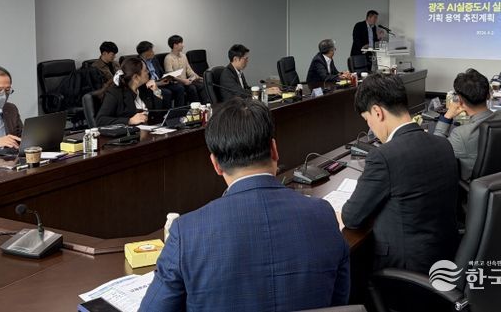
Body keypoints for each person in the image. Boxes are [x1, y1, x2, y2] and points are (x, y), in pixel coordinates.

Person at [139, 98, 350, 312]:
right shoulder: (323, 215)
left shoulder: (187, 232)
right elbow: (339, 302)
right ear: (274, 150)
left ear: (216, 164)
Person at [341, 73, 458, 274]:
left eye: (367, 120)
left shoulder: (384, 156)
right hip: (446, 257)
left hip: (405, 271)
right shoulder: (443, 144)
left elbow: (352, 217)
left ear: (377, 112)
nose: (369, 126)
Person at [434, 69, 501, 181]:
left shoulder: (461, 135)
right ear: (489, 95)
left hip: (476, 187)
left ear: (460, 101)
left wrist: (447, 117)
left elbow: (436, 153)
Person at [95, 57, 160, 126]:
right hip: (130, 131)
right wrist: (129, 121)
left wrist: (156, 91)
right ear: (136, 77)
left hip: (150, 128)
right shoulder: (115, 94)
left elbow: (159, 111)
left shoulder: (144, 87)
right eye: (145, 70)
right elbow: (100, 120)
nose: (148, 72)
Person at [136, 40, 185, 108]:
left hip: (161, 82)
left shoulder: (154, 59)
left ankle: (179, 110)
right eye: (151, 51)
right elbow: (142, 82)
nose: (153, 52)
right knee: (166, 93)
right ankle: (166, 113)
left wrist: (167, 78)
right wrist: (157, 83)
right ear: (145, 53)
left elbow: (161, 72)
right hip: (150, 86)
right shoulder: (138, 63)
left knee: (180, 88)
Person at [163, 35, 207, 103]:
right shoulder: (168, 58)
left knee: (201, 85)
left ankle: (205, 105)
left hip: (186, 81)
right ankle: (195, 107)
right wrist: (183, 81)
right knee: (192, 88)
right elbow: (170, 75)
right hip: (176, 83)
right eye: (181, 43)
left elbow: (189, 70)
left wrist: (198, 77)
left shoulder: (183, 56)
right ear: (175, 45)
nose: (183, 45)